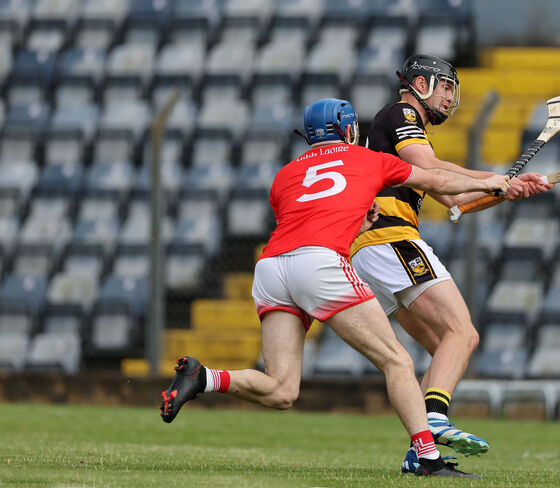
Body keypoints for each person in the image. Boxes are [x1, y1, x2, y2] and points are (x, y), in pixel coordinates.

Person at [159, 98, 511, 478]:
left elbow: (310, 216)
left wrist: (359, 221)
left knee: (281, 390)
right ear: (347, 129)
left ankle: (204, 377)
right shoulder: (368, 158)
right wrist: (487, 181)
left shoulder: (285, 175)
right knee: (397, 361)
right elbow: (437, 180)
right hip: (320, 266)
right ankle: (426, 458)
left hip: (271, 269)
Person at [350, 54, 553, 471]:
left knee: (445, 347)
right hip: (392, 237)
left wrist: (502, 190)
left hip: (371, 251)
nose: (448, 95)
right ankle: (437, 421)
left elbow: (454, 199)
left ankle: (421, 454)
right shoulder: (401, 112)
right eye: (443, 85)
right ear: (420, 83)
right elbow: (432, 168)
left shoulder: (409, 133)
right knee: (463, 334)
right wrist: (491, 177)